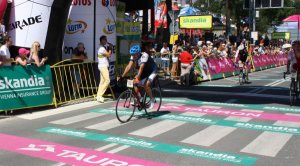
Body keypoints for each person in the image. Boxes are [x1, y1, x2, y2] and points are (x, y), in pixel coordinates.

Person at [120, 43, 158, 109]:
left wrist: (138, 78)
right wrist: (122, 76)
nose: (133, 56)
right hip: (144, 71)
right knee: (132, 83)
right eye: (132, 55)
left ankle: (152, 99)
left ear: (138, 53)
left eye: (134, 55)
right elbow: (129, 66)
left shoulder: (144, 55)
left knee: (146, 84)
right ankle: (139, 97)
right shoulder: (133, 56)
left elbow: (141, 67)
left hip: (152, 71)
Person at [96, 35, 112, 103]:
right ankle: (100, 95)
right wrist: (110, 48)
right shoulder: (101, 48)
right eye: (105, 40)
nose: (106, 41)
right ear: (102, 40)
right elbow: (109, 55)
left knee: (102, 81)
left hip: (102, 65)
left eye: (106, 39)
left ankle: (98, 96)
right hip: (103, 66)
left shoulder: (101, 47)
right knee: (107, 81)